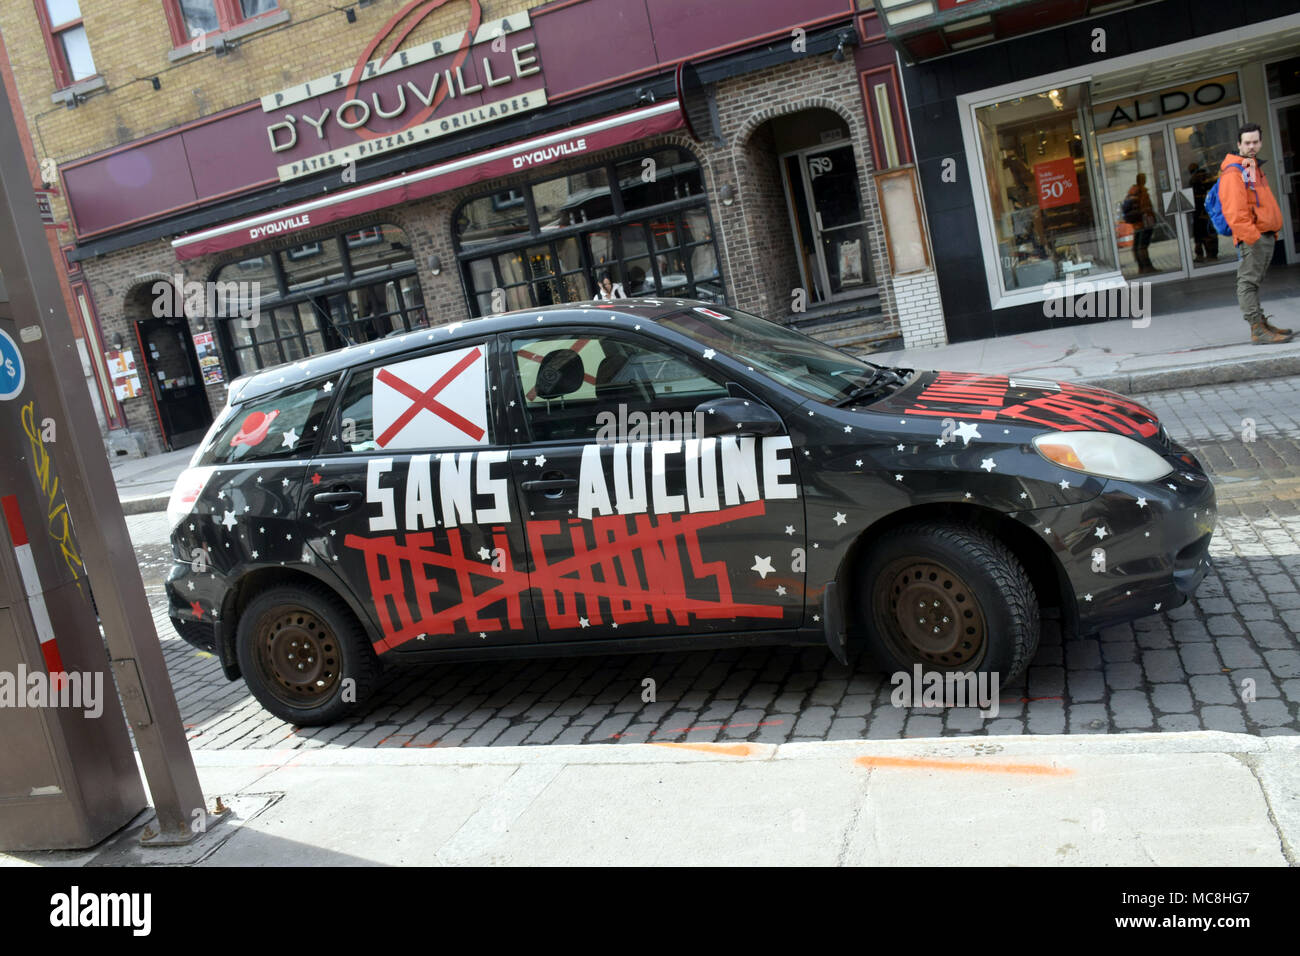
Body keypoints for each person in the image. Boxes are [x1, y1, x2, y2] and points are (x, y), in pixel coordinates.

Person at [1219, 123, 1291, 344]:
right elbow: (1235, 212)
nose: (1252, 146)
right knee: (1248, 283)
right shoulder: (1234, 172)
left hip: (1264, 234)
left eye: (1255, 142)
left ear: (1260, 142)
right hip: (1254, 237)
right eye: (1247, 142)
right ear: (1239, 144)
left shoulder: (1252, 167)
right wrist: (1254, 237)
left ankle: (1262, 324)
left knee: (1254, 283)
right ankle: (1257, 329)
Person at [1123, 173, 1158, 274]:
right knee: (1142, 246)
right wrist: (1151, 217)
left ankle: (1141, 267)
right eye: (1144, 178)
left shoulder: (1132, 191)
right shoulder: (1142, 192)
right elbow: (1145, 207)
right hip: (1144, 221)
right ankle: (1147, 267)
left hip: (1136, 223)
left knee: (1137, 246)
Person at [1188, 163, 1218, 262]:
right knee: (1204, 231)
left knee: (1202, 232)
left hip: (1199, 209)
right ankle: (1210, 254)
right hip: (1203, 208)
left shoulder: (1194, 179)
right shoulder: (1201, 177)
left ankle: (1205, 254)